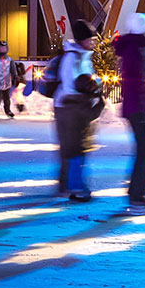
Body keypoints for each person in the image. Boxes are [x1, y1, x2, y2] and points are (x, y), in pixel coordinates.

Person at [52, 18, 99, 200]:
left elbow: (90, 80)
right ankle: (70, 186)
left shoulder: (84, 56)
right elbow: (68, 84)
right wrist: (85, 95)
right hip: (67, 107)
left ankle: (71, 184)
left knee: (78, 147)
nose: (92, 42)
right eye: (89, 39)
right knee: (71, 147)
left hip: (79, 107)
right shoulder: (71, 56)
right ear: (81, 39)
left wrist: (95, 89)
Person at [117, 12, 145, 211]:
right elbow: (136, 81)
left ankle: (136, 194)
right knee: (143, 150)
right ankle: (136, 195)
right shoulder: (135, 50)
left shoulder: (135, 48)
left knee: (143, 150)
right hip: (135, 107)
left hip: (135, 105)